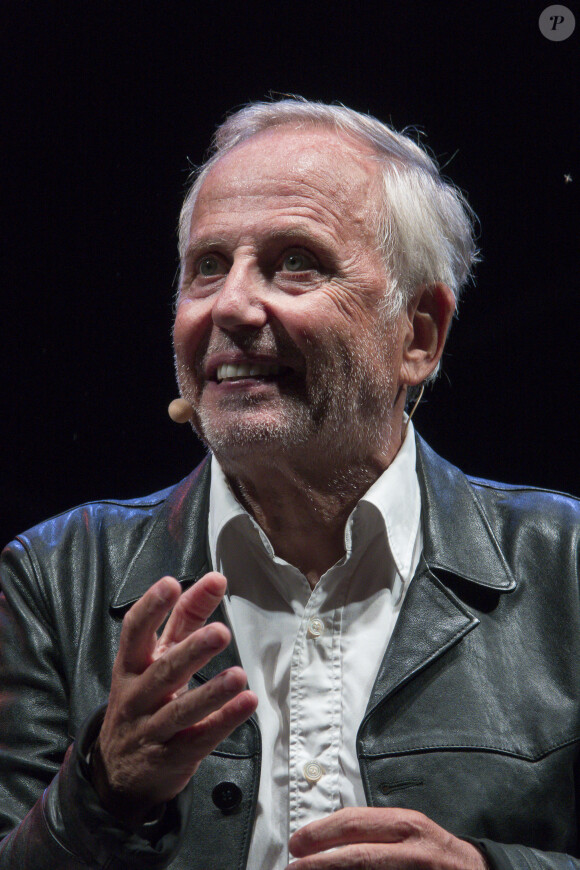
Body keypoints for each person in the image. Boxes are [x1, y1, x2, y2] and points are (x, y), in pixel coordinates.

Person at [0, 98, 579, 870]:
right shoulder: (54, 578)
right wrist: (99, 794)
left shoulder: (566, 566)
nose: (232, 305)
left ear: (419, 335)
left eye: (294, 262)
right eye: (208, 266)